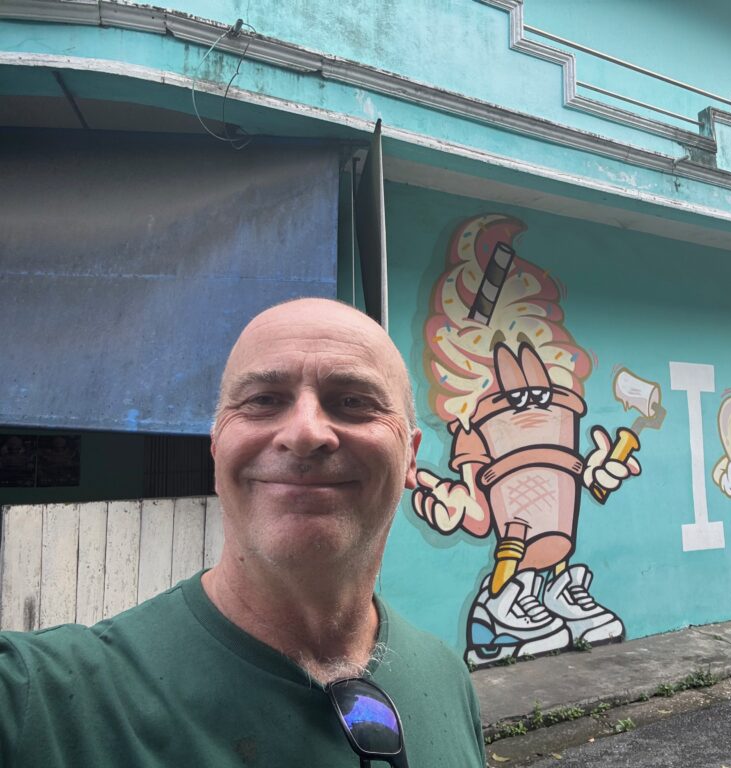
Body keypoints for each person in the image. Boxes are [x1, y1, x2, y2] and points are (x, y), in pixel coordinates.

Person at [0, 298, 487, 767]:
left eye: (353, 402)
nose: (304, 432)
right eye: (262, 401)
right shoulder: (38, 700)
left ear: (411, 456)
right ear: (216, 447)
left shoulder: (446, 678)